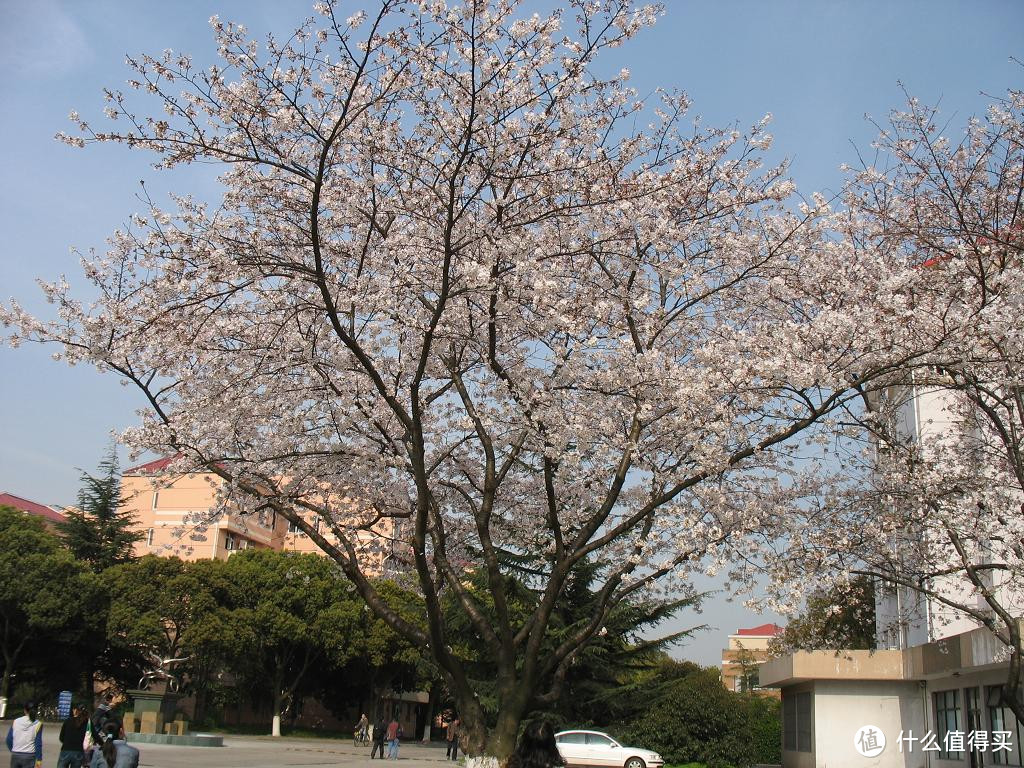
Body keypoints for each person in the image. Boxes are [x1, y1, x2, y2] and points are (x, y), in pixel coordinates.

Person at [5, 701, 42, 768]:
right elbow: (38, 743)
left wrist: (14, 750)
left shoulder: (15, 721)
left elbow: (8, 740)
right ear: (36, 711)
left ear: (24, 710)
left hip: (15, 755)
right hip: (29, 756)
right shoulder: (38, 724)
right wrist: (39, 759)